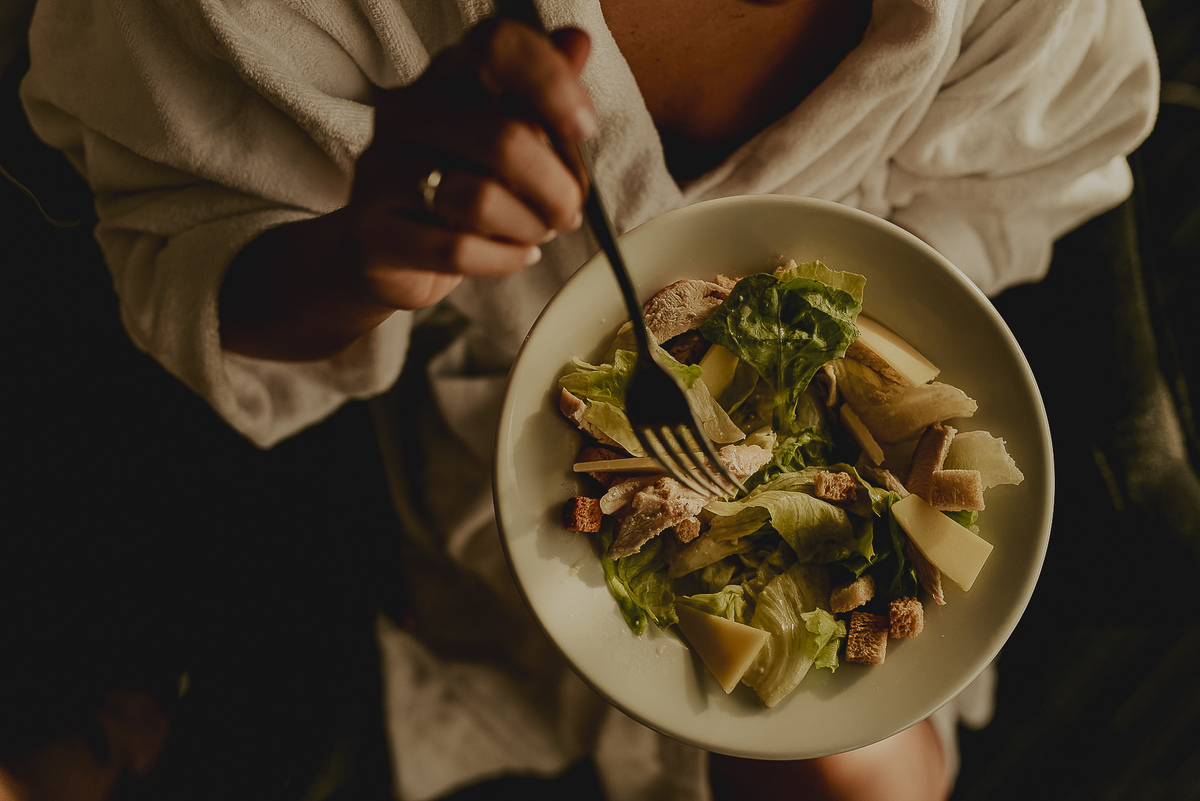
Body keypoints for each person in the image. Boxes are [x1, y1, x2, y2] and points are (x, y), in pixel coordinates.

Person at [15, 0, 1158, 799]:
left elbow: (1034, 171)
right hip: (478, 480)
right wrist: (367, 255)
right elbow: (186, 260)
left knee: (850, 761)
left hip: (839, 462)